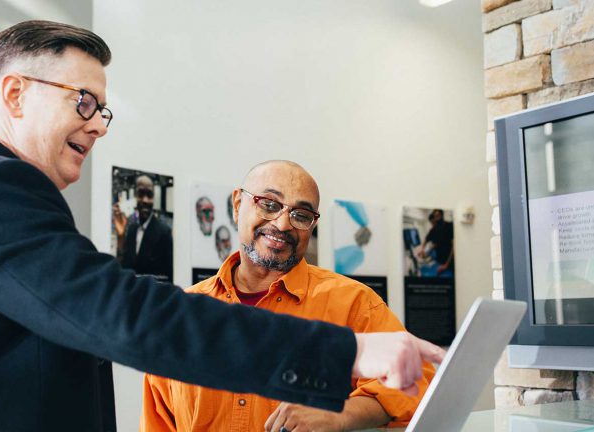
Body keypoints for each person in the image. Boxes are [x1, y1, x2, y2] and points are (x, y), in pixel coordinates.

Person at [0, 20, 444, 432]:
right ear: (15, 94)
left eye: (102, 109)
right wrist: (344, 353)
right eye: (83, 102)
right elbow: (127, 315)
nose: (99, 126)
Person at [141, 161, 436, 432]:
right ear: (237, 204)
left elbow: (419, 385)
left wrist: (342, 413)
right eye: (269, 204)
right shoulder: (179, 318)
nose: (283, 225)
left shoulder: (353, 304)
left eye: (301, 215)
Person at [113, 175, 173, 282]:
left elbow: (169, 277)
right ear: (135, 196)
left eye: (149, 195)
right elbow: (123, 269)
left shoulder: (164, 232)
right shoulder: (131, 229)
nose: (145, 200)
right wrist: (121, 238)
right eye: (140, 194)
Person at [417, 209, 454, 277]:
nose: (436, 219)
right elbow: (426, 239)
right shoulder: (433, 230)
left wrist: (446, 264)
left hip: (450, 261)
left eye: (438, 216)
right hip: (440, 261)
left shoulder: (449, 226)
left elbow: (454, 246)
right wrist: (422, 249)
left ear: (442, 215)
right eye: (435, 216)